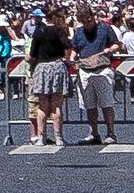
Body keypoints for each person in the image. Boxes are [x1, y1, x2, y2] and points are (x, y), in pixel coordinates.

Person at [26, 10, 71, 147]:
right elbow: (68, 46)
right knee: (56, 105)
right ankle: (58, 137)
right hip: (57, 66)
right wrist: (67, 58)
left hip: (42, 67)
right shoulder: (59, 31)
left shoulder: (38, 32)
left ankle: (41, 137)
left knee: (43, 104)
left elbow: (32, 54)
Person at [75, 14, 121, 147]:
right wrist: (72, 58)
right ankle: (94, 133)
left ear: (93, 17)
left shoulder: (105, 28)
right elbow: (74, 48)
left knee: (107, 104)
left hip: (102, 68)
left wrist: (110, 49)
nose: (88, 24)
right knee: (89, 105)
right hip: (85, 70)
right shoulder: (79, 32)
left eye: (89, 20)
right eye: (85, 22)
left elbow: (117, 44)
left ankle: (111, 133)